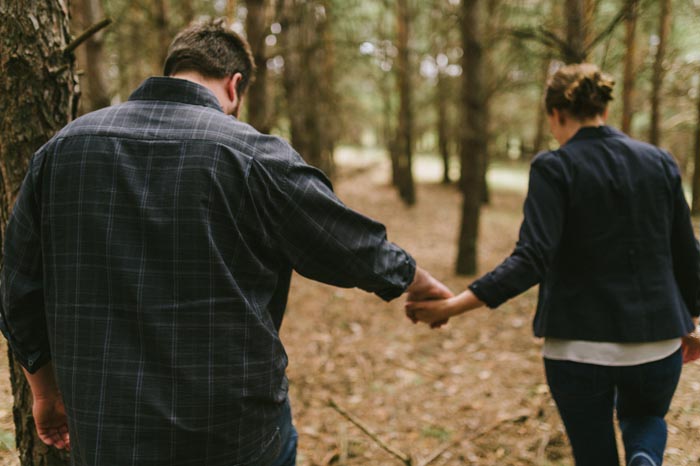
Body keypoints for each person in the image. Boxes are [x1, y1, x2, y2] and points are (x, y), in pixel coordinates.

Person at [0, 20, 451, 466]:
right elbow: (346, 242)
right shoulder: (254, 155)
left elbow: (16, 288)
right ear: (234, 86)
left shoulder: (61, 151)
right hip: (233, 438)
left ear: (173, 69)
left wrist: (44, 391)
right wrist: (416, 279)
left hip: (106, 435)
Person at [406, 63, 700, 466]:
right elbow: (687, 252)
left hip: (578, 348)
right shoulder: (660, 162)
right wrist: (694, 318)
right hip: (658, 340)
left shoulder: (555, 166)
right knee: (646, 416)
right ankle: (645, 459)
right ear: (603, 110)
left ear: (556, 115)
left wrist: (452, 306)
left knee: (593, 453)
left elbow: (531, 259)